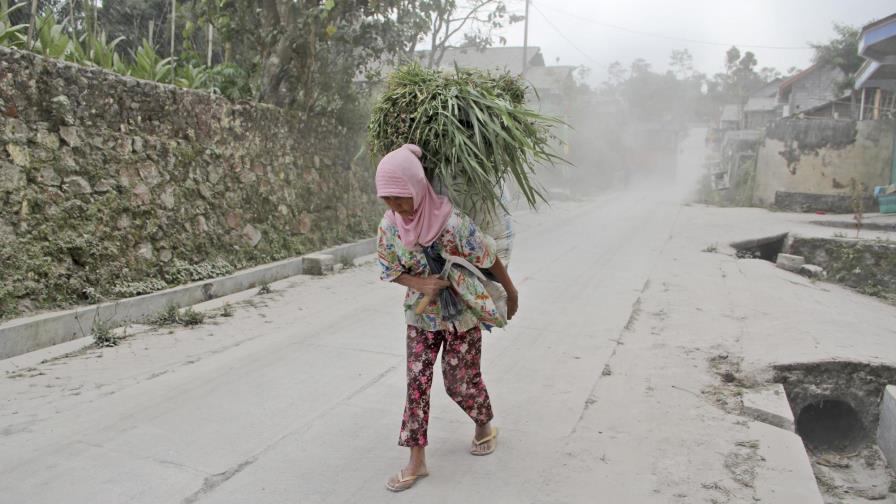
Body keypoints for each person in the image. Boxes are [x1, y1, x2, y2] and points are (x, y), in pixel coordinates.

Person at [375, 144, 519, 492]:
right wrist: (419, 282)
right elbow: (389, 268)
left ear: (417, 186)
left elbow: (488, 258)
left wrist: (511, 294)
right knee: (417, 385)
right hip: (421, 317)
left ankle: (483, 423)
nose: (396, 207)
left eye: (401, 198)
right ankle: (416, 459)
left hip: (462, 315)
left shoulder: (453, 224)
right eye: (388, 200)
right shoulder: (391, 226)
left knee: (460, 382)